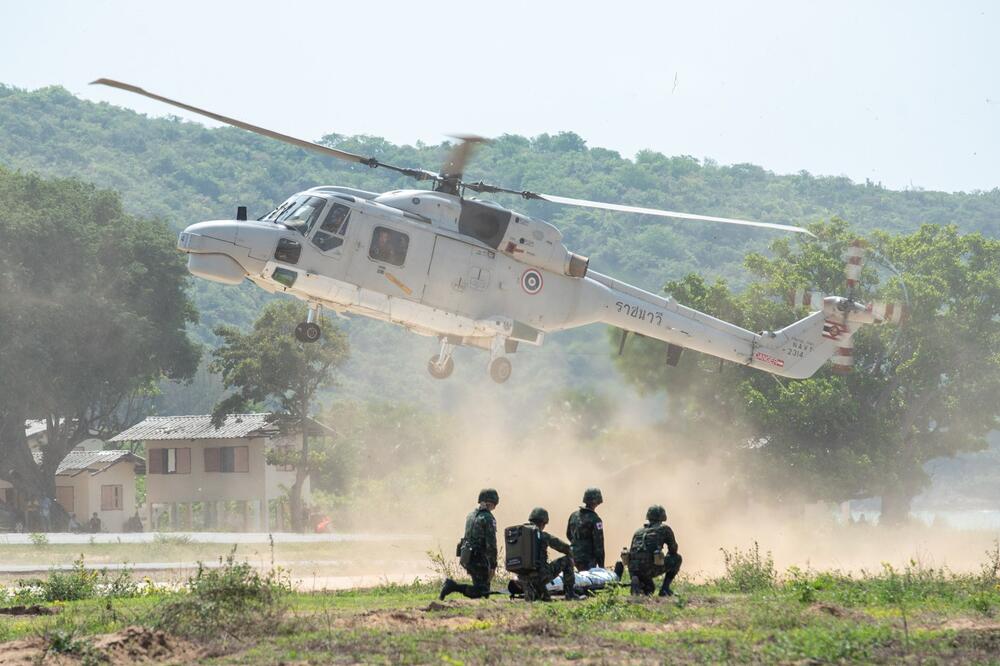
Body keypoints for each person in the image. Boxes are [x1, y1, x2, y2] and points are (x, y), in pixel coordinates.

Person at [439, 488, 499, 600]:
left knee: (482, 590)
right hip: (479, 558)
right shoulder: (488, 518)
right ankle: (451, 586)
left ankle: (454, 587)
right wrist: (493, 565)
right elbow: (491, 544)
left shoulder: (470, 515)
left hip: (467, 556)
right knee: (482, 591)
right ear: (491, 503)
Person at [518, 507, 584, 601]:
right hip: (541, 575)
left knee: (544, 599)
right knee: (567, 560)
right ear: (543, 522)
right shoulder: (542, 535)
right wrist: (572, 554)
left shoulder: (520, 535)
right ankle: (570, 594)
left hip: (522, 578)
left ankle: (533, 593)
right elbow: (564, 547)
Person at [627, 504, 682, 597]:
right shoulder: (664, 529)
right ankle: (665, 589)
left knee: (650, 590)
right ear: (662, 516)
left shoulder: (638, 531)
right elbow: (673, 550)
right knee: (677, 558)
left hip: (633, 569)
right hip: (649, 568)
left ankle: (637, 580)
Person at [567, 487, 605, 571]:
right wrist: (601, 566)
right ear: (597, 501)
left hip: (573, 556)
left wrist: (578, 545)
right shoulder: (595, 519)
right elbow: (599, 545)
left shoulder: (573, 515)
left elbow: (569, 535)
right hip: (587, 560)